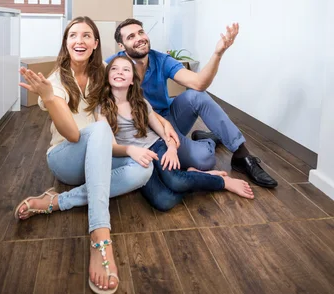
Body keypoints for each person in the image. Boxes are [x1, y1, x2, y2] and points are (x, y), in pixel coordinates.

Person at [15, 16, 153, 294]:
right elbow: (74, 135)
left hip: (98, 153)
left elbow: (110, 130)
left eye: (86, 35)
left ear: (96, 44)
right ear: (66, 44)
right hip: (65, 158)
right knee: (100, 129)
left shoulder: (103, 72)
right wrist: (50, 98)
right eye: (73, 36)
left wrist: (130, 149)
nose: (80, 40)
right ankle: (100, 236)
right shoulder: (53, 82)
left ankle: (58, 201)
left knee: (144, 168)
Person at [106, 19, 278, 188]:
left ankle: (242, 155)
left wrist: (218, 53)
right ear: (121, 46)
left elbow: (198, 83)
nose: (139, 38)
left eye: (141, 32)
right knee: (204, 160)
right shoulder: (113, 67)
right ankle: (208, 140)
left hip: (169, 119)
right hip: (146, 129)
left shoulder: (161, 60)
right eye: (131, 37)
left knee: (197, 95)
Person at [95, 56, 254, 211]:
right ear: (107, 76)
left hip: (156, 146)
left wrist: (171, 149)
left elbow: (162, 131)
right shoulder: (101, 108)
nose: (119, 72)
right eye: (114, 69)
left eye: (126, 69)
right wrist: (132, 151)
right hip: (136, 158)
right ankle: (194, 175)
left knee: (176, 181)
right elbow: (110, 146)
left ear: (132, 80)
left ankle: (222, 182)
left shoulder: (140, 102)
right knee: (164, 201)